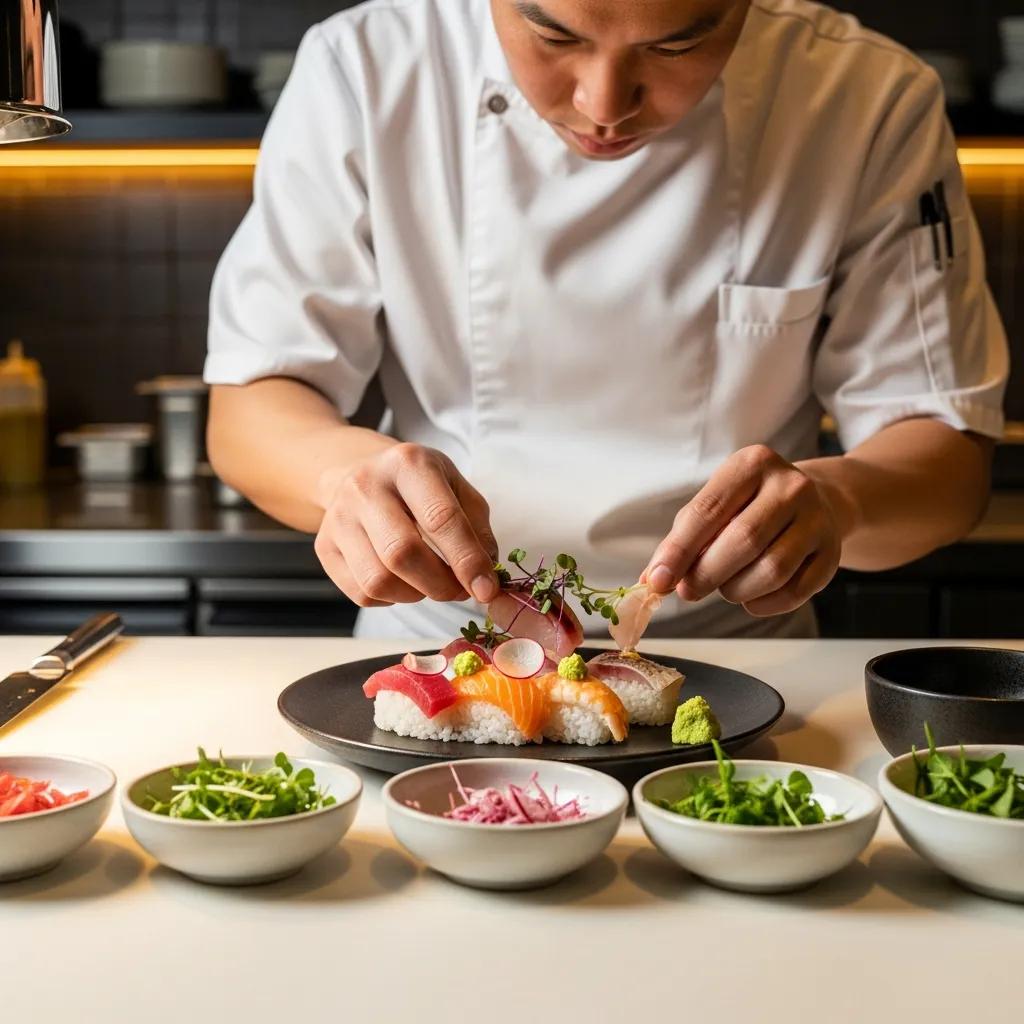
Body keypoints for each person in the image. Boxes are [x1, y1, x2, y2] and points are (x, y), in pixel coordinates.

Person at [204, 0, 1008, 642]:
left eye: (676, 46)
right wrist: (344, 478)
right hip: (438, 646)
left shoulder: (862, 98)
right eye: (551, 33)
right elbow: (250, 409)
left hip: (734, 657)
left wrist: (840, 504)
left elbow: (948, 465)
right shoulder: (366, 69)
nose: (603, 104)